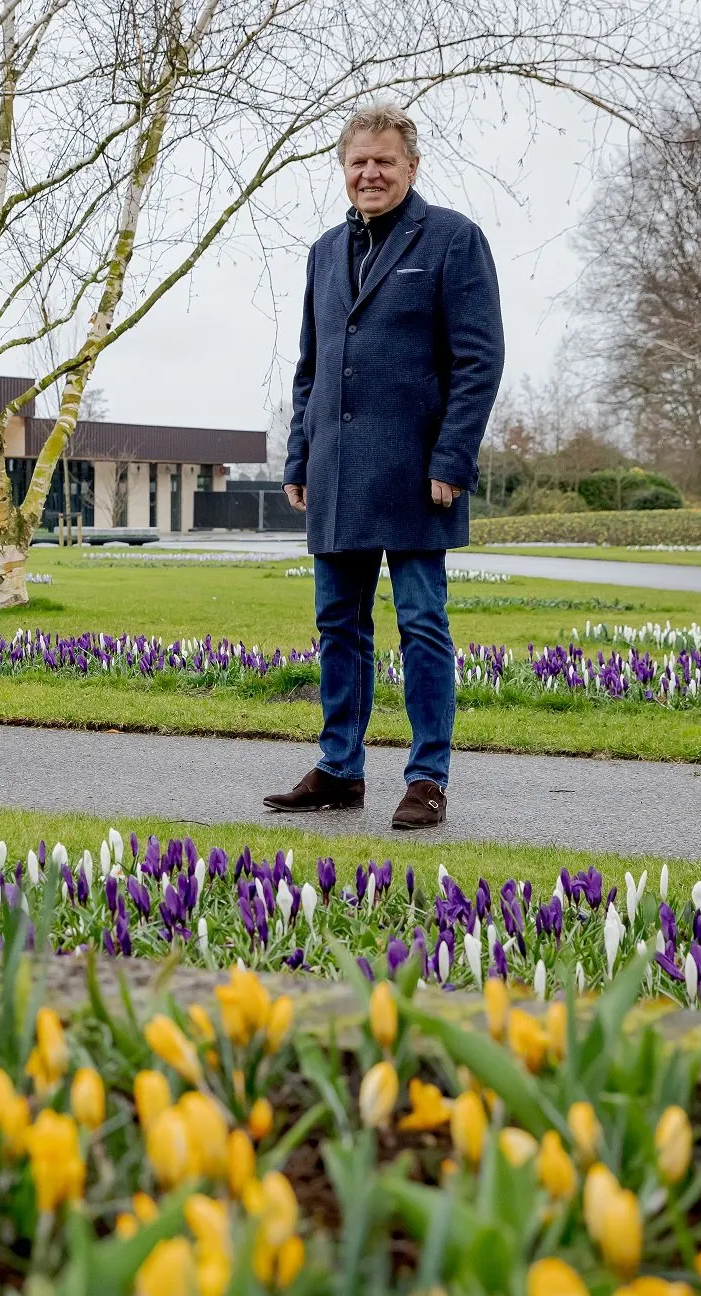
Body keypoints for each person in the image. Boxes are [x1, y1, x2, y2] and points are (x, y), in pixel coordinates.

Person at [267, 104, 503, 830]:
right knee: (337, 624)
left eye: (383, 162)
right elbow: (311, 367)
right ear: (343, 168)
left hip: (415, 471)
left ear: (411, 166)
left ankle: (427, 777)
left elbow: (477, 359)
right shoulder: (321, 252)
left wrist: (453, 456)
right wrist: (300, 455)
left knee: (421, 622)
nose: (369, 174)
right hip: (335, 472)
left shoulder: (453, 240)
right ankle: (339, 769)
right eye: (357, 162)